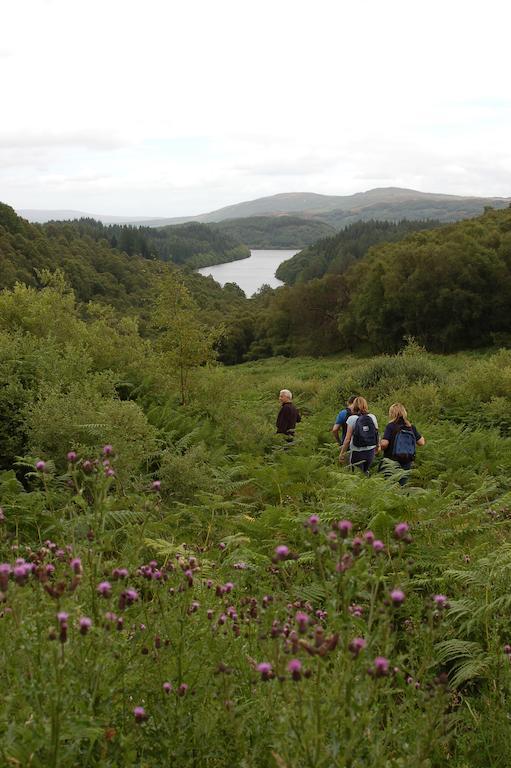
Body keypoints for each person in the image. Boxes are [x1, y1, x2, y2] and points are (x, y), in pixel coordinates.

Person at [379, 403, 425, 485]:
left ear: (392, 413)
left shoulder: (391, 426)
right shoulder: (410, 427)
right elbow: (421, 442)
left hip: (391, 460)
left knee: (389, 485)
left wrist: (380, 444)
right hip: (406, 460)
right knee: (402, 485)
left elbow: (385, 443)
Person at [339, 396, 379, 475]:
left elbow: (347, 439)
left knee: (355, 475)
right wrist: (378, 446)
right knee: (365, 472)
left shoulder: (352, 418)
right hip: (370, 451)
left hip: (357, 452)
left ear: (354, 405)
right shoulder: (372, 417)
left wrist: (342, 453)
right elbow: (376, 433)